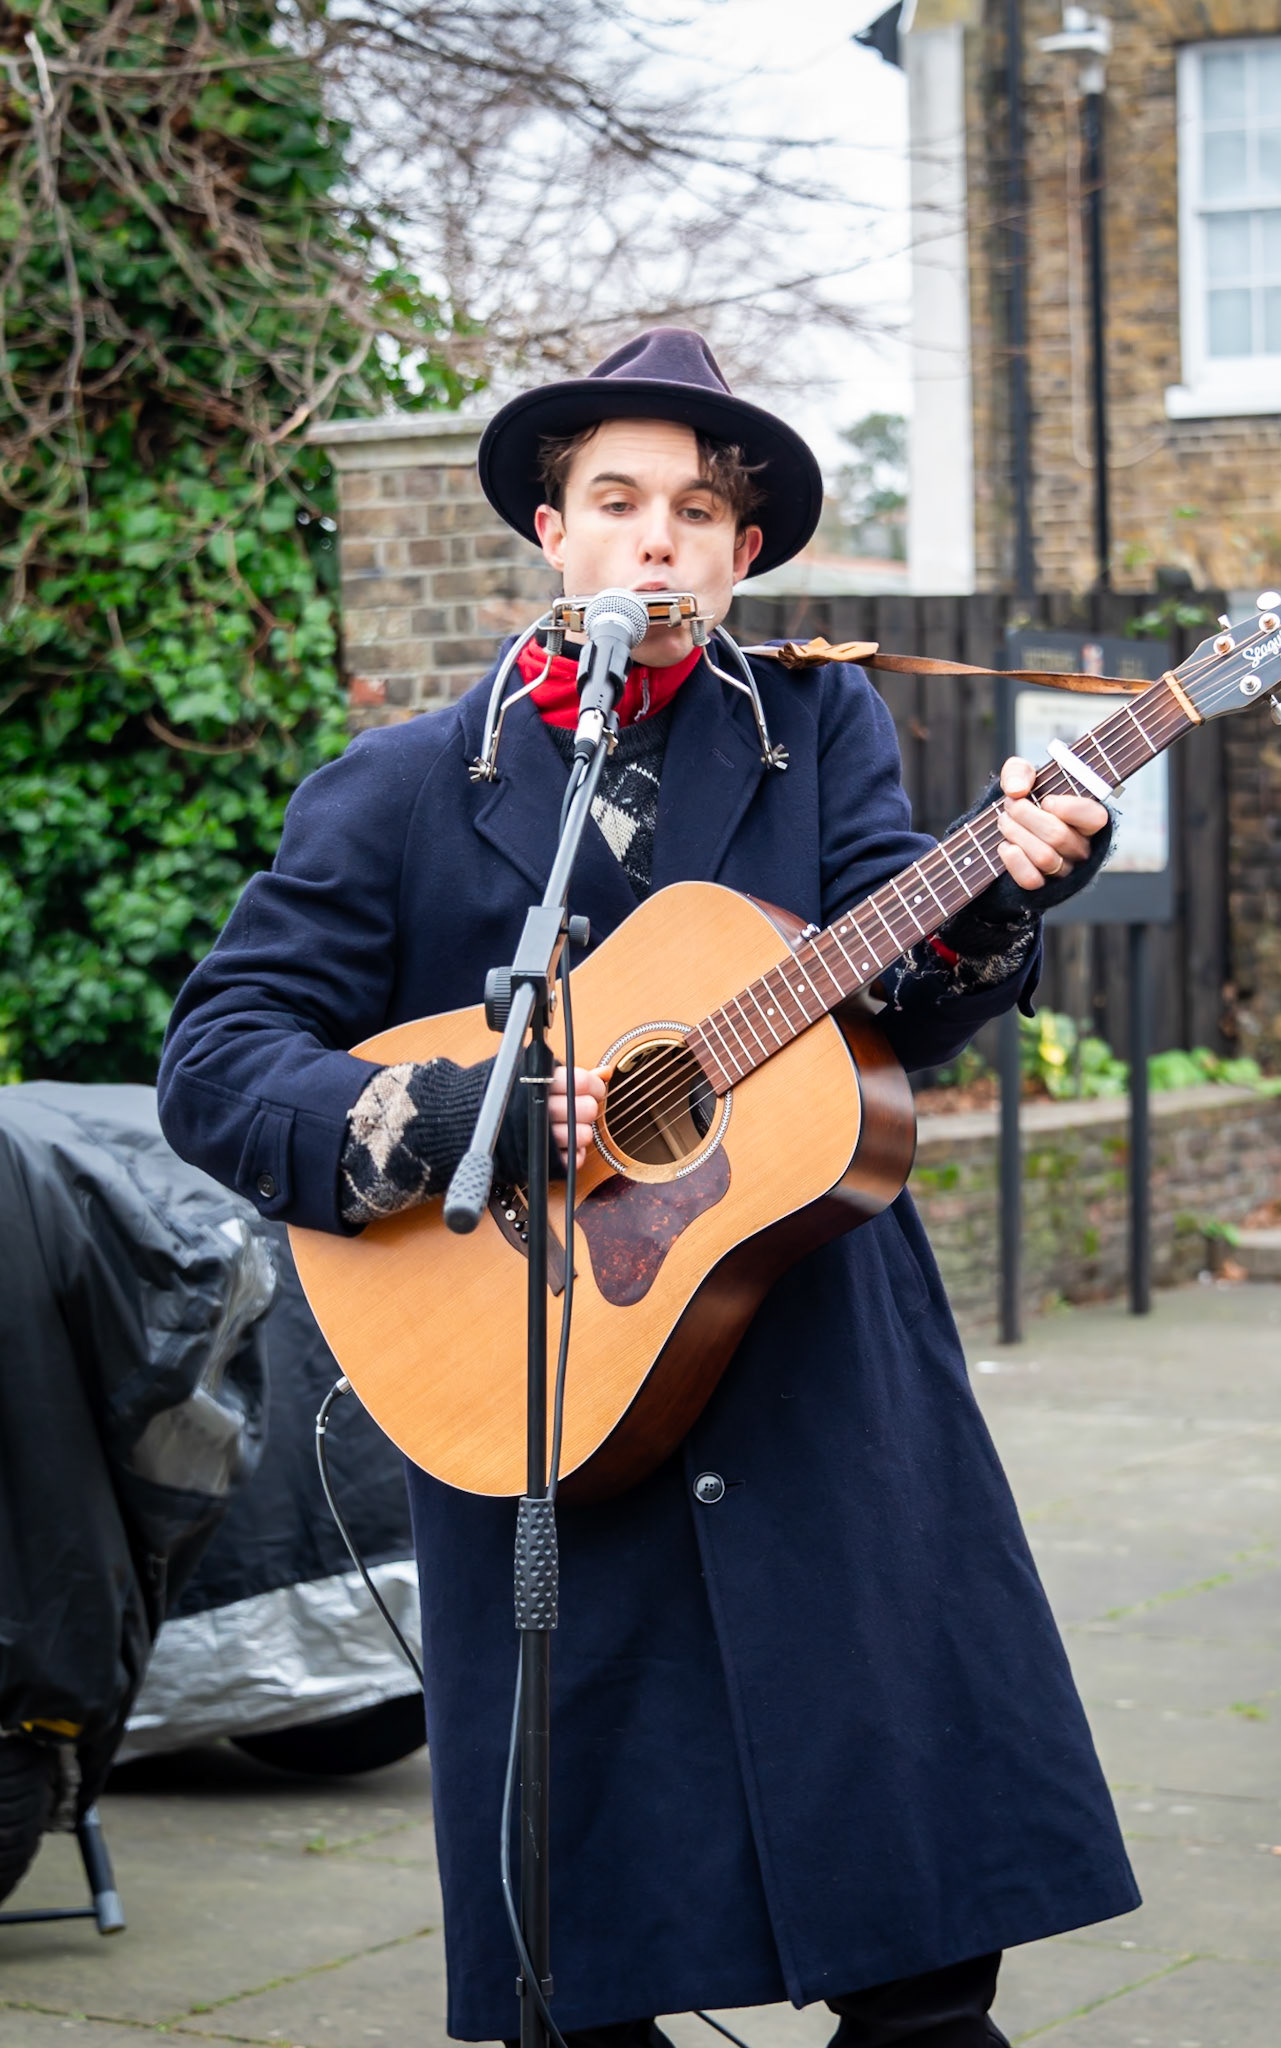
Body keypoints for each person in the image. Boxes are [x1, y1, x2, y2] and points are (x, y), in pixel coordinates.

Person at [158, 329, 1139, 2048]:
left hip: (825, 1401)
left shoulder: (821, 729)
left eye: (698, 511)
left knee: (922, 1987)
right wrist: (477, 1113)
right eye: (617, 500)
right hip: (544, 1413)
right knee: (586, 1981)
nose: (657, 539)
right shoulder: (400, 787)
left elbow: (892, 987)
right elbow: (222, 1059)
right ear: (554, 527)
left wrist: (997, 889)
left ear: (747, 555)